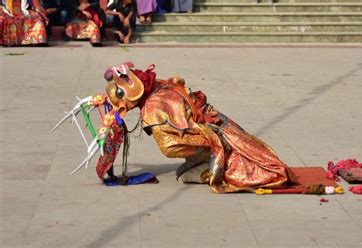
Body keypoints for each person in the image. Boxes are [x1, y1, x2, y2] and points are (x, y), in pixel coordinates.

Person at [97, 62, 297, 193]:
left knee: (172, 151)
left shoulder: (153, 107)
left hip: (214, 131)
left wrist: (207, 140)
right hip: (212, 123)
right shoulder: (156, 86)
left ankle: (213, 157)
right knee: (183, 171)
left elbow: (170, 144)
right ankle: (204, 156)